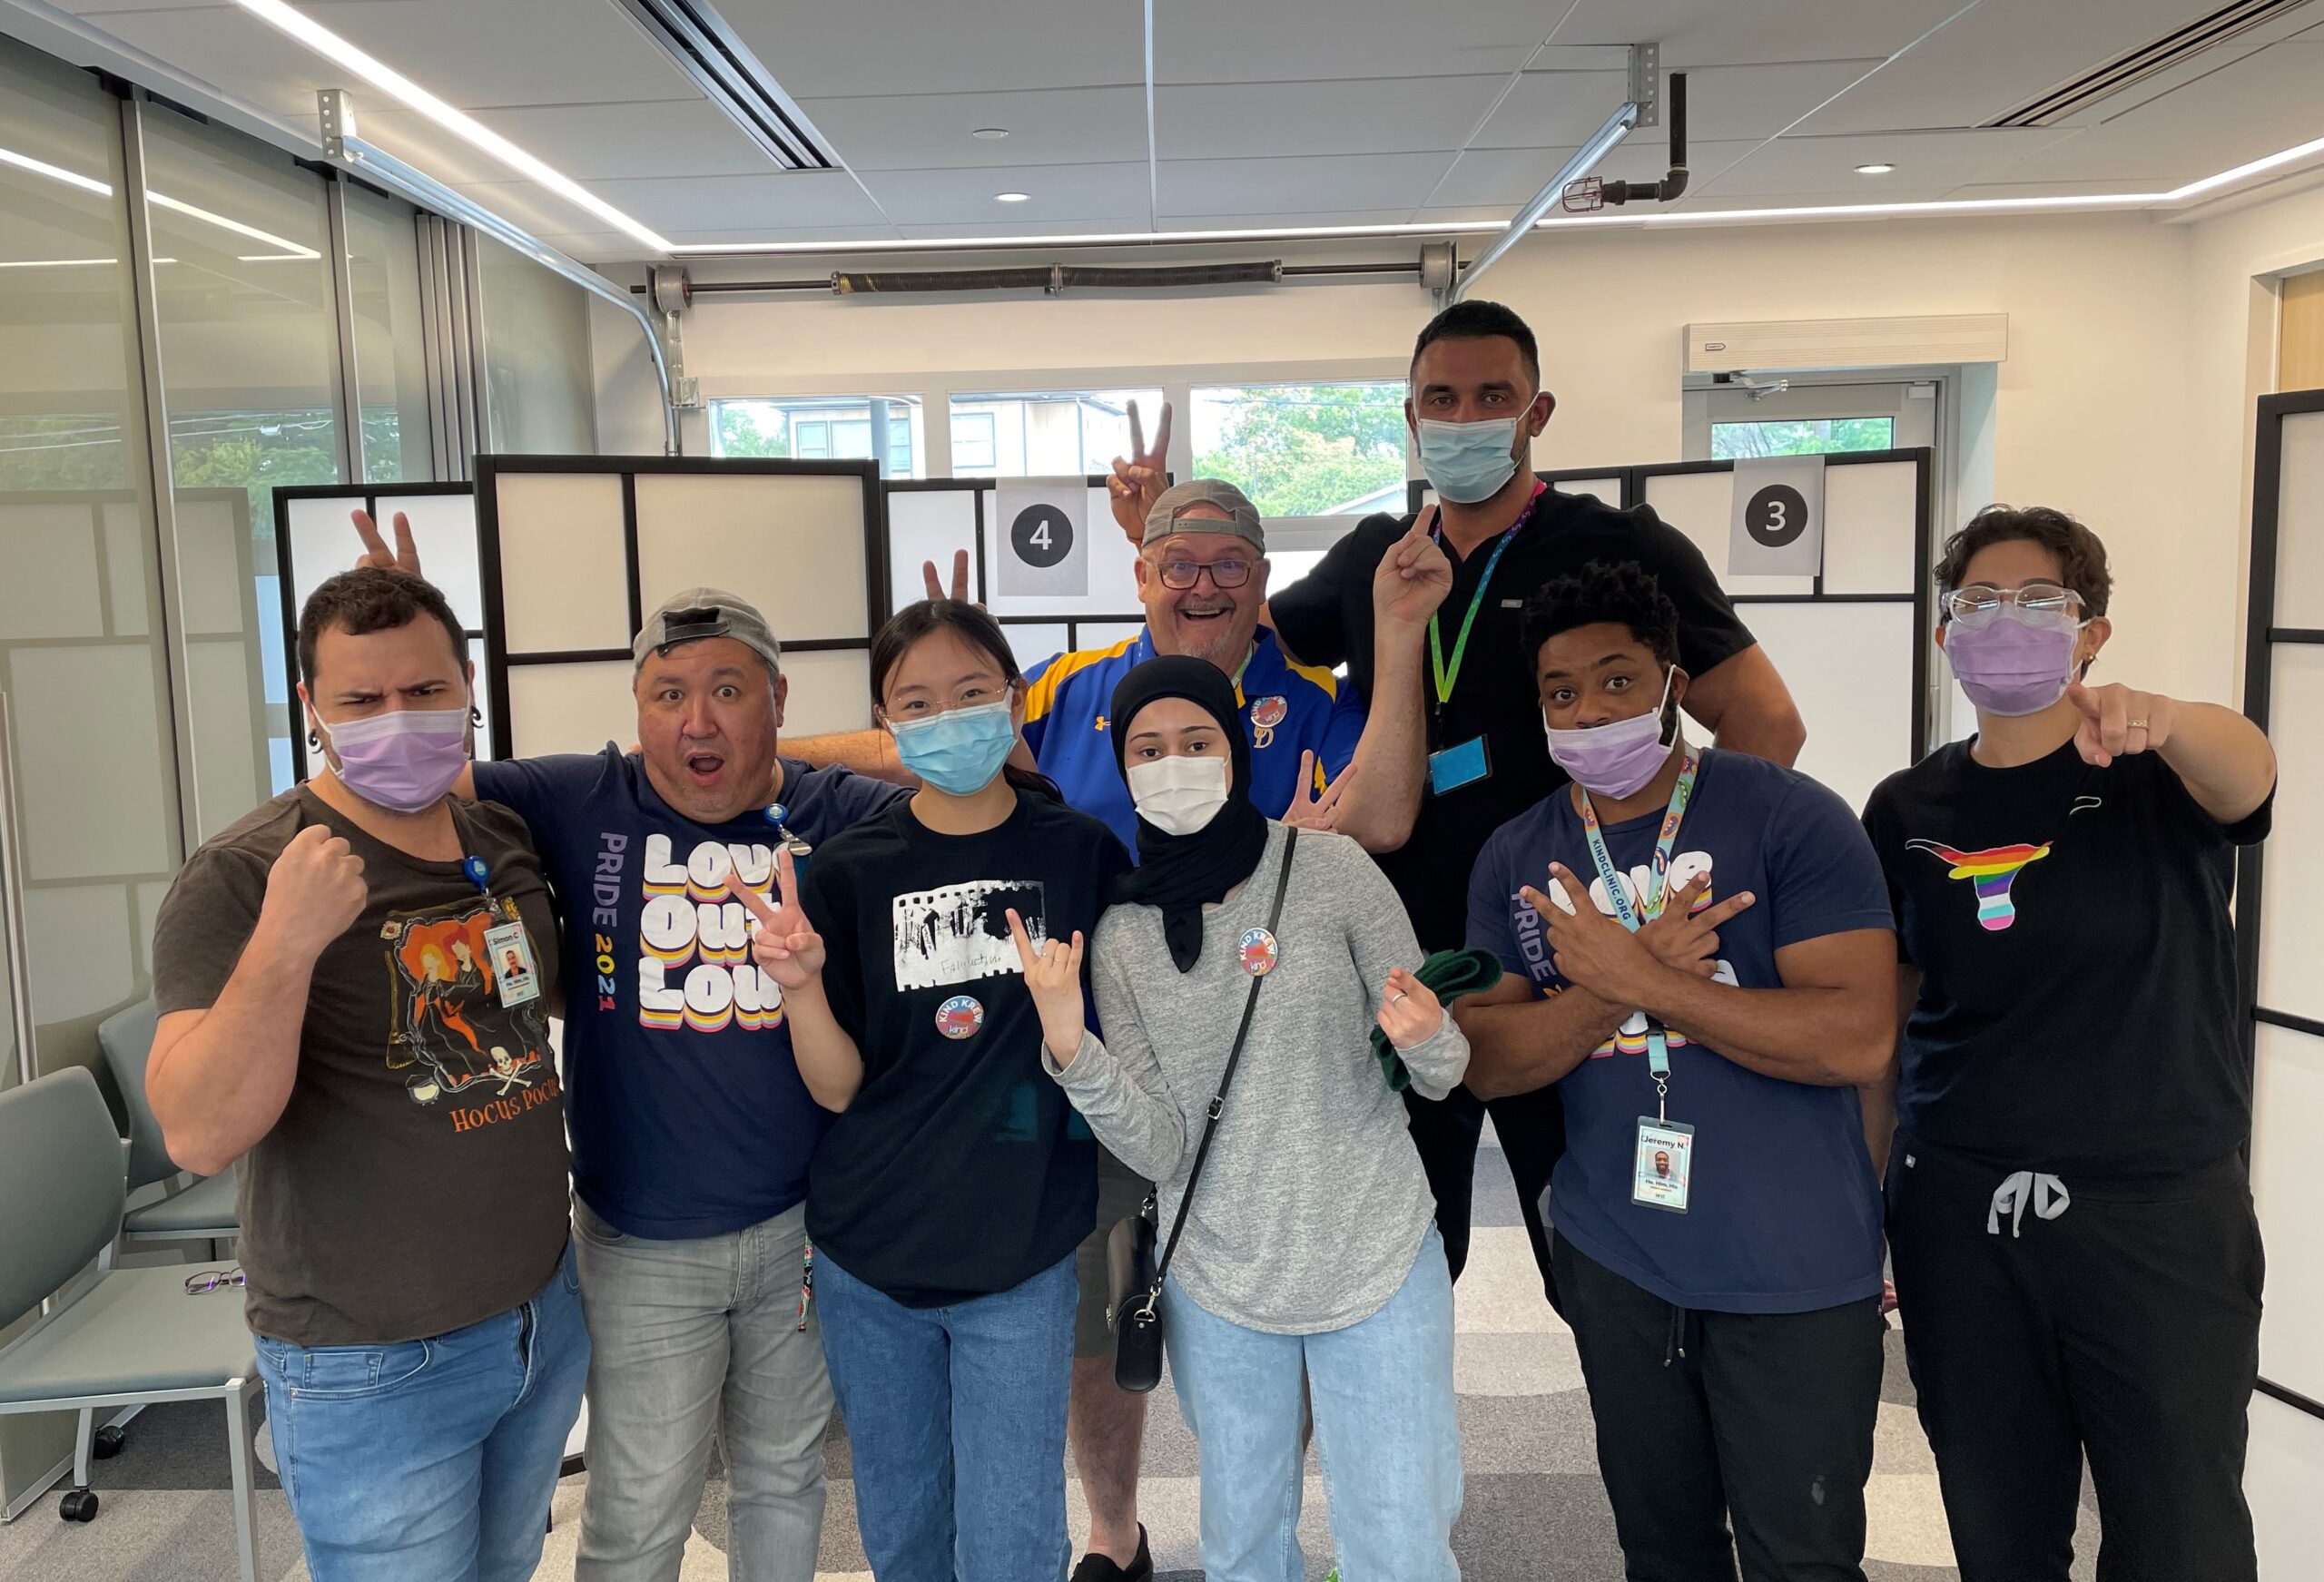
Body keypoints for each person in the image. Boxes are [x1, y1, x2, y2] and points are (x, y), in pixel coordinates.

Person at [793, 476, 1452, 1582]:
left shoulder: (1303, 699)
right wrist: (765, 746)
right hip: (1084, 1075)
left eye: (1228, 564)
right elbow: (950, 752)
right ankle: (1116, 1531)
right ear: (1141, 575)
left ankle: (1288, 1518)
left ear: (1263, 580)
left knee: (1261, 1358)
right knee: (1100, 1334)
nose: (1202, 585)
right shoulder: (1072, 688)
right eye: (1174, 564)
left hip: (1226, 1090)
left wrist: (1390, 642)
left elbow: (1379, 818)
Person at [1120, 304, 1807, 1303]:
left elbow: (1766, 724)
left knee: (1601, 1250)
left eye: (1493, 397)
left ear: (1538, 412)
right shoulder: (1376, 555)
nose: (1465, 418)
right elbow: (1229, 620)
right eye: (1441, 399)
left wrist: (1670, 879)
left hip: (1564, 947)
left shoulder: (1618, 546)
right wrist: (1157, 545)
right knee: (1400, 1256)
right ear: (1411, 416)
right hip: (1401, 962)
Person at [350, 512, 906, 1582]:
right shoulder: (580, 798)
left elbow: (972, 783)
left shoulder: (838, 812)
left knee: (785, 1476)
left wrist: (816, 751)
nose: (699, 721)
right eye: (668, 694)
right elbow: (420, 779)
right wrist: (411, 656)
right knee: (641, 1504)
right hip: (642, 1237)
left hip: (807, 1227)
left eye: (730, 691)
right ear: (638, 711)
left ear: (779, 700)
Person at [1456, 560, 1896, 1580]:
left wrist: (1641, 980)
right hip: (1619, 1259)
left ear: (1673, 685)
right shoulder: (1518, 854)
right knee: (1662, 1551)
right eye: (1561, 692)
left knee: (1804, 1558)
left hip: (1793, 1261)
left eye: (1617, 680)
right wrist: (1613, 989)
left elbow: (1857, 1037)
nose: (1589, 710)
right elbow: (1485, 1062)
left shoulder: (1790, 817)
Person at [1859, 506, 2275, 1582]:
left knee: (2183, 1536)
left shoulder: (2158, 772)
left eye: (2039, 601)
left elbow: (2251, 774)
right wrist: (1866, 1208)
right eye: (1979, 601)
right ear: (1945, 632)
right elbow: (1886, 1026)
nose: (2005, 619)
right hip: (1960, 1211)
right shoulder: (1905, 807)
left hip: (2154, 1214)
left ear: (2090, 632)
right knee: (1999, 1526)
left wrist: (2167, 719)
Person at [145, 568, 585, 1582]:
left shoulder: (498, 838)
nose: (398, 719)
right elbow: (198, 1132)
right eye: (362, 699)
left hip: (540, 1312)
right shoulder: (245, 874)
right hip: (372, 1359)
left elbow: (546, 999)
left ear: (467, 683)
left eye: (424, 690)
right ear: (312, 708)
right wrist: (285, 943)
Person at [1029, 653, 1469, 1581]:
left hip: (1374, 1252)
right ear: (1122, 767)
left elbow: (1439, 1073)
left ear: (1234, 751)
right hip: (1219, 1273)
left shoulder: (1332, 868)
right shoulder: (1123, 934)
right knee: (1242, 1546)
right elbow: (1160, 1143)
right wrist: (1074, 1051)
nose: (1174, 765)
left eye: (1197, 742)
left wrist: (1429, 1038)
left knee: (1400, 1541)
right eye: (1148, 749)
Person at [743, 597, 1131, 1582]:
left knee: (1013, 1544)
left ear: (1013, 699)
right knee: (906, 1536)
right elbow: (838, 1089)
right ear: (887, 719)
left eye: (970, 692)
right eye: (916, 702)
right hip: (871, 1254)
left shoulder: (1079, 853)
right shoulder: (849, 870)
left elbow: (1138, 1028)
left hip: (1022, 1252)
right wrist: (799, 989)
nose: (946, 717)